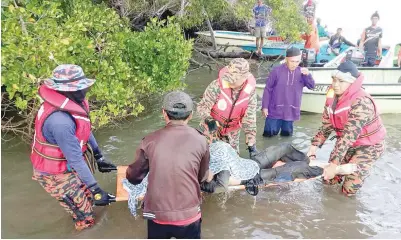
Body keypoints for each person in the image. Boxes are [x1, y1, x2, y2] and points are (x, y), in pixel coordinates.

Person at [30, 64, 117, 231]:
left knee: (88, 199)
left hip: (69, 164)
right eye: (78, 89)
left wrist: (98, 156)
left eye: (84, 87)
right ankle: (82, 228)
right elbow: (76, 158)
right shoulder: (60, 122)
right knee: (84, 216)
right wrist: (97, 189)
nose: (84, 92)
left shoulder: (74, 102)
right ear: (63, 91)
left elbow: (84, 128)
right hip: (55, 175)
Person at [126, 91, 210, 239]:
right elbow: (202, 177)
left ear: (164, 113)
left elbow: (133, 177)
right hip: (189, 214)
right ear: (190, 115)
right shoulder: (201, 141)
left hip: (158, 214)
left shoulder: (149, 141)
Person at [307, 60, 386, 196]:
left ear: (352, 82)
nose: (335, 85)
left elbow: (348, 137)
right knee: (328, 180)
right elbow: (326, 125)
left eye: (341, 81)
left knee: (349, 188)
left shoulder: (361, 102)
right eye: (334, 79)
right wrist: (313, 148)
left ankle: (346, 208)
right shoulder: (332, 96)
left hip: (369, 146)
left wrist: (333, 165)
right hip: (346, 144)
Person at [197, 58, 258, 157]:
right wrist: (209, 120)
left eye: (234, 79)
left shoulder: (250, 94)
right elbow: (202, 107)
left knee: (232, 159)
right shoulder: (216, 86)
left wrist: (251, 143)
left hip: (232, 133)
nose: (230, 81)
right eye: (229, 77)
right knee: (206, 158)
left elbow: (249, 119)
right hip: (211, 129)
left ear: (245, 77)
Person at [261, 47, 315, 137]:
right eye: (292, 61)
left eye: (297, 61)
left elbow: (312, 86)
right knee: (268, 136)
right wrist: (265, 107)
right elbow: (268, 89)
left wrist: (308, 75)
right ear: (286, 59)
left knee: (286, 137)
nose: (294, 64)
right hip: (274, 110)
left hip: (290, 111)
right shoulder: (276, 71)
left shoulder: (302, 73)